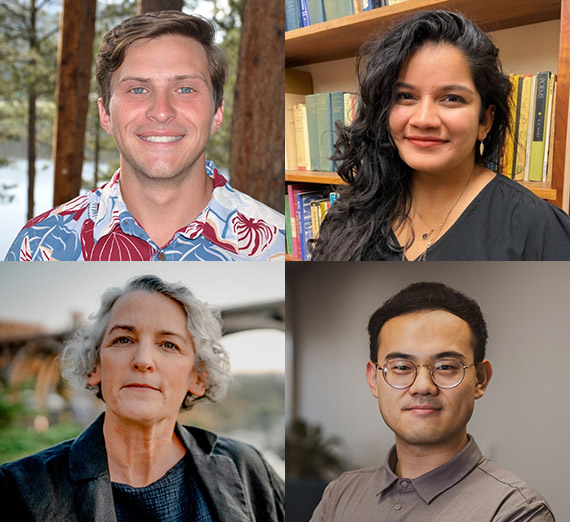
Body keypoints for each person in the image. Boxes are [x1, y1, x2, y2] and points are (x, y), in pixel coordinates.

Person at [0, 275, 284, 521]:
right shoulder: (18, 490)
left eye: (169, 345)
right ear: (94, 367)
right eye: (123, 340)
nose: (143, 360)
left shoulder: (247, 467)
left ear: (198, 378)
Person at [6, 11, 285, 261]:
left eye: (185, 89)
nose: (161, 112)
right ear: (105, 114)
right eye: (138, 90)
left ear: (217, 113)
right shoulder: (38, 246)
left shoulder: (282, 245)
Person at [311, 10, 570, 260]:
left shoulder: (538, 228)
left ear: (485, 121)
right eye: (406, 96)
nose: (424, 119)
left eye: (452, 98)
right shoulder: (353, 211)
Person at [310, 281, 554, 521]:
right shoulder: (339, 495)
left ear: (480, 379)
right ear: (374, 379)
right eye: (402, 367)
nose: (423, 386)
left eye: (445, 366)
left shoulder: (516, 510)